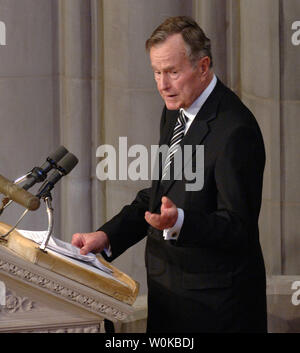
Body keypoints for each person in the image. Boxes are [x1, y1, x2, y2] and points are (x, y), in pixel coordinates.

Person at [72, 16, 267, 333]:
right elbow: (160, 193)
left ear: (202, 67)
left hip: (214, 311)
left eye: (173, 72)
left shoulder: (236, 131)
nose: (162, 84)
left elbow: (238, 227)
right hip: (169, 299)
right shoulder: (176, 109)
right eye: (156, 72)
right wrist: (107, 237)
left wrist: (180, 222)